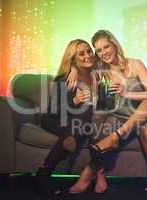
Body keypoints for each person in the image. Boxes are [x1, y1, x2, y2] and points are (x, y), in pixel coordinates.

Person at [67, 30, 147, 193]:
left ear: (114, 44)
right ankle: (99, 172)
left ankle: (88, 171)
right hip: (118, 116)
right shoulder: (100, 68)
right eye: (98, 50)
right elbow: (80, 61)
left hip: (139, 114)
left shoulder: (135, 64)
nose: (103, 52)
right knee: (100, 117)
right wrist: (73, 69)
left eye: (106, 47)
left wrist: (127, 92)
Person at [34, 39, 107, 195]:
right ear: (72, 58)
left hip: (78, 123)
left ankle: (42, 174)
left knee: (78, 127)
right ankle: (43, 174)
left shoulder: (98, 78)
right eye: (81, 53)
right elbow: (54, 110)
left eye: (89, 51)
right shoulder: (66, 78)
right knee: (79, 123)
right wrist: (74, 101)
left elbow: (102, 106)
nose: (87, 55)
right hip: (54, 119)